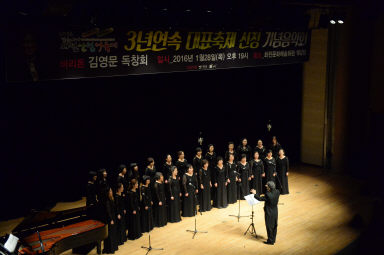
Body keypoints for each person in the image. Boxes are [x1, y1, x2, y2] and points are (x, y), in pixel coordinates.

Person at [102, 188, 118, 254]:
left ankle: (113, 247)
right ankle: (110, 248)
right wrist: (111, 219)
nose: (112, 192)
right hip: (109, 219)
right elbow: (108, 211)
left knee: (113, 233)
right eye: (110, 191)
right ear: (108, 193)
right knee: (110, 234)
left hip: (113, 218)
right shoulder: (107, 201)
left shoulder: (111, 199)